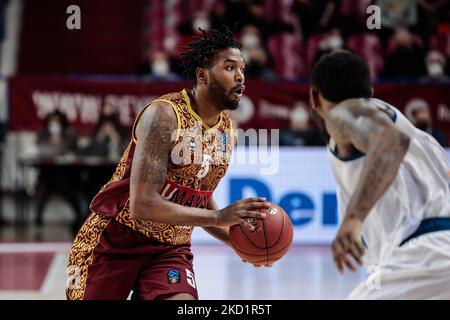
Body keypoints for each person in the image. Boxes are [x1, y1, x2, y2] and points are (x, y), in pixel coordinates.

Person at [66, 26, 270, 300]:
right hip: (115, 240)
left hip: (169, 249)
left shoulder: (227, 130)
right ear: (202, 75)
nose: (241, 77)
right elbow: (143, 205)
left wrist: (233, 240)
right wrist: (220, 218)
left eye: (242, 69)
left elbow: (196, 198)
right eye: (230, 68)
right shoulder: (164, 115)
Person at [309, 50, 450, 299]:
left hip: (427, 255)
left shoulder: (344, 114)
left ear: (314, 97)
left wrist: (353, 219)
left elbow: (390, 142)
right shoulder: (423, 141)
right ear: (371, 90)